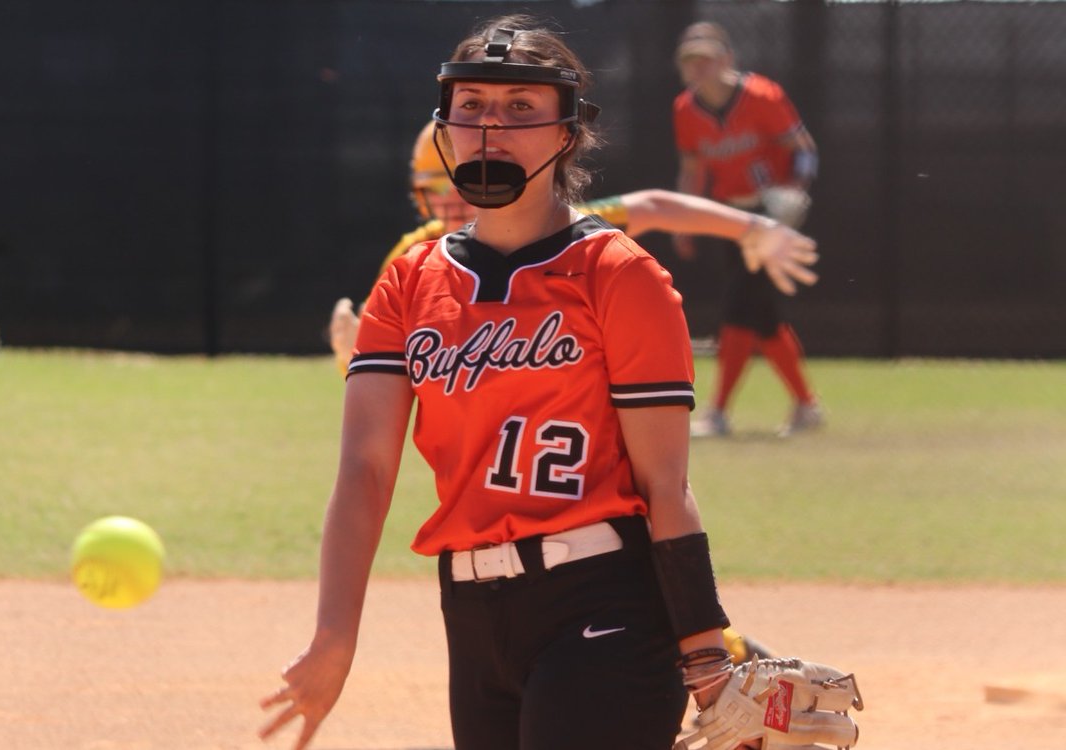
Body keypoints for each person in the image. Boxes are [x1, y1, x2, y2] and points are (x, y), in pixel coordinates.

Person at [265, 15, 756, 750]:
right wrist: (336, 637)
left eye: (521, 108)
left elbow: (666, 486)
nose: (491, 127)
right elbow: (365, 470)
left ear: (567, 132)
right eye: (472, 107)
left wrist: (707, 652)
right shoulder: (409, 279)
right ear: (445, 126)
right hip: (471, 613)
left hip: (604, 605)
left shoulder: (618, 275)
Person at [329, 118, 820, 381]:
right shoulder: (414, 253)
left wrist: (752, 228)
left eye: (452, 185)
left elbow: (651, 206)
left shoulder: (559, 228)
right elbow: (384, 369)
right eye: (433, 190)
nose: (445, 201)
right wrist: (356, 357)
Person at [671, 21, 824, 439]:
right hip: (730, 217)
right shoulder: (686, 109)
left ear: (727, 60)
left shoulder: (761, 96)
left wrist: (794, 193)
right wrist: (683, 221)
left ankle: (719, 412)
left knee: (741, 305)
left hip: (769, 215)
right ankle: (806, 405)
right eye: (689, 61)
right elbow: (692, 169)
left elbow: (803, 151)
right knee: (761, 316)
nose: (697, 68)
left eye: (705, 58)